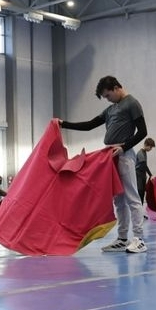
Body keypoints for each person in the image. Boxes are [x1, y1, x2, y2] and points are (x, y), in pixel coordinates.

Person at [58, 75, 148, 254]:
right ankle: (122, 239)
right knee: (119, 200)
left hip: (123, 154)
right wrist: (63, 124)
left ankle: (139, 239)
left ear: (116, 88)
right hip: (109, 156)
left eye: (108, 95)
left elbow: (143, 132)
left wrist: (124, 147)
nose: (107, 99)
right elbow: (90, 125)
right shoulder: (111, 109)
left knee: (132, 197)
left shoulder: (132, 103)